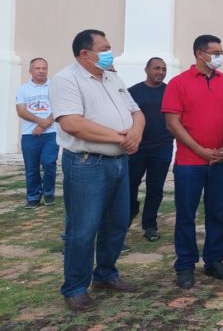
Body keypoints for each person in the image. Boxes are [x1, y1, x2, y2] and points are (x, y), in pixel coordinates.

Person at [50, 29, 144, 312]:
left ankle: (105, 273)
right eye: (104, 48)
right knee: (83, 228)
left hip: (119, 162)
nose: (109, 52)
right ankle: (76, 287)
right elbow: (72, 123)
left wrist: (136, 133)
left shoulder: (112, 77)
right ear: (84, 53)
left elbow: (136, 112)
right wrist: (120, 138)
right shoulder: (66, 80)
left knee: (116, 223)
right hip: (86, 164)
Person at [162, 35, 223, 289]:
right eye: (215, 52)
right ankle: (185, 264)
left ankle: (214, 260)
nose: (220, 56)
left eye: (222, 51)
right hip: (189, 161)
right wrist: (200, 150)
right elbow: (172, 123)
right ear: (199, 53)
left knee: (217, 212)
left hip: (222, 159)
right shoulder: (178, 83)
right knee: (186, 214)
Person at [127, 57, 174, 243]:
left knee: (155, 188)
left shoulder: (170, 91)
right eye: (156, 68)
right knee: (130, 186)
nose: (161, 72)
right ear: (146, 70)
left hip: (162, 147)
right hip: (137, 148)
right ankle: (127, 217)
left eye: (163, 69)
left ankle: (150, 225)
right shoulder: (133, 92)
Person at [15, 57, 58, 209]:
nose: (41, 71)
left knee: (49, 163)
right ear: (30, 71)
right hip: (29, 135)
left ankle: (48, 193)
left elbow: (60, 107)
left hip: (51, 134)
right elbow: (21, 111)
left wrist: (44, 125)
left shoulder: (54, 87)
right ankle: (33, 197)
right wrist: (41, 122)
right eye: (37, 68)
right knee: (31, 168)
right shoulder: (23, 89)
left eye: (44, 68)